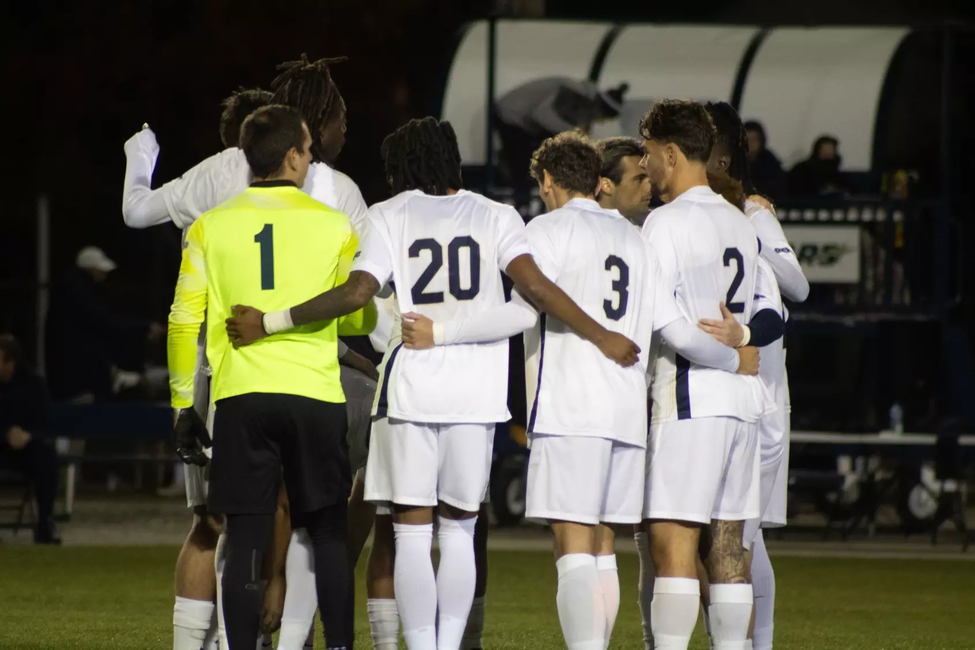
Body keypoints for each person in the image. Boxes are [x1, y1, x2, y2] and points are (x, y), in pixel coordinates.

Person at [225, 117, 640, 650]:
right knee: (460, 533)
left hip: (413, 393)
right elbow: (531, 293)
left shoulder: (389, 214)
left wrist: (274, 319)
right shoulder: (498, 215)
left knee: (413, 535)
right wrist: (603, 335)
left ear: (402, 167)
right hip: (477, 395)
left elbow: (357, 294)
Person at [398, 131, 761, 650]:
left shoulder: (545, 231)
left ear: (548, 181)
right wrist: (734, 357)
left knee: (572, 549)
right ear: (596, 180)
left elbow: (525, 308)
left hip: (570, 409)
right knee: (602, 547)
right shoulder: (638, 238)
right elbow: (677, 329)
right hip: (628, 416)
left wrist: (445, 332)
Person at [121, 59, 379, 650]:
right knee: (327, 531)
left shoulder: (213, 218)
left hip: (233, 390)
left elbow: (182, 317)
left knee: (229, 528)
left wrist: (183, 405)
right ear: (295, 151)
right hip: (316, 389)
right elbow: (360, 307)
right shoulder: (335, 211)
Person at [638, 99, 775, 650]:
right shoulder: (737, 221)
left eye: (649, 155)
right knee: (728, 552)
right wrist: (740, 351)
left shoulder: (665, 222)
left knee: (673, 547)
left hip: (690, 403)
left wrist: (728, 355)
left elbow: (664, 320)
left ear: (671, 154)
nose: (646, 168)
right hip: (741, 408)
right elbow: (770, 308)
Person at [706, 101, 810, 650]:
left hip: (760, 391)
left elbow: (798, 284)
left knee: (741, 535)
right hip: (716, 388)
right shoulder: (694, 213)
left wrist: (758, 236)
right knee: (740, 538)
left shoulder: (751, 213)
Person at [45, 246, 163, 402]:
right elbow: (107, 326)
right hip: (78, 377)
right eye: (100, 270)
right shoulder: (79, 294)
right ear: (90, 269)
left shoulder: (73, 292)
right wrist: (144, 329)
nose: (104, 274)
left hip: (70, 374)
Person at [494, 76, 627, 200]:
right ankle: (520, 196)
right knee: (525, 163)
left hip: (521, 118)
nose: (601, 122)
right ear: (602, 110)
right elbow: (541, 115)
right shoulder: (574, 95)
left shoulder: (583, 98)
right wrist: (572, 132)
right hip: (510, 114)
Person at [0, 335, 60, 544]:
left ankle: (45, 523)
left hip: (26, 449)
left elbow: (46, 424)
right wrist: (5, 433)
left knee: (46, 457)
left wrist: (28, 436)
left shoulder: (33, 384)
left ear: (11, 362)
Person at [595, 136, 652, 226]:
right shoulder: (578, 232)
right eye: (639, 179)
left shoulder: (649, 228)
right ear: (606, 185)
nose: (649, 187)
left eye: (649, 178)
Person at [743, 120, 786, 200]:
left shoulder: (769, 161)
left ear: (761, 141)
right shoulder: (730, 159)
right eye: (747, 140)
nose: (750, 144)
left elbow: (776, 186)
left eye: (754, 140)